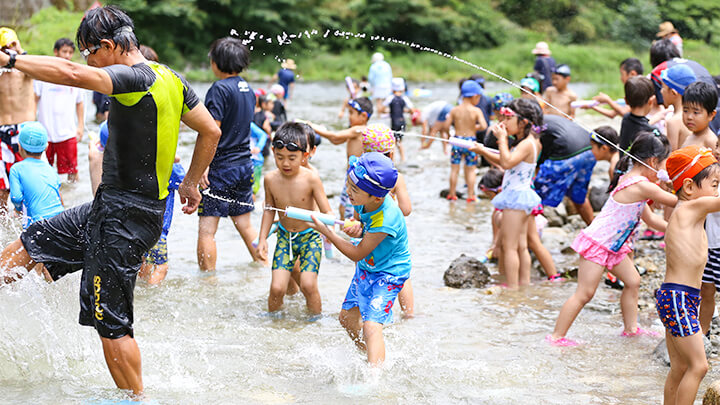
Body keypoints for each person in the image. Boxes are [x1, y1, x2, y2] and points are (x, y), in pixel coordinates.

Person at [0, 6, 221, 397]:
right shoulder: (169, 77)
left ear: (107, 45)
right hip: (110, 209)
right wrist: (188, 184)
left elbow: (70, 74)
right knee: (31, 242)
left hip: (126, 219)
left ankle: (137, 398)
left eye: (89, 53)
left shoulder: (134, 77)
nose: (88, 61)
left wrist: (12, 59)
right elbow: (210, 130)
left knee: (111, 321)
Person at [548, 132, 676, 346]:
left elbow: (652, 220)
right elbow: (675, 201)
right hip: (599, 243)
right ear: (654, 162)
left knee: (633, 281)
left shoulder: (633, 181)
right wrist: (672, 184)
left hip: (614, 248)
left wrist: (675, 228)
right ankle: (555, 338)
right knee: (585, 293)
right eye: (664, 165)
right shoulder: (641, 185)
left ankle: (631, 329)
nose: (663, 170)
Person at [310, 152, 410, 365]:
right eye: (348, 185)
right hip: (369, 267)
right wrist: (358, 228)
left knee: (371, 326)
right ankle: (369, 355)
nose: (348, 192)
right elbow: (363, 227)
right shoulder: (360, 200)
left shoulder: (387, 217)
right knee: (346, 319)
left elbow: (357, 253)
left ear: (376, 197)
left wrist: (328, 234)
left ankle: (374, 379)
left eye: (354, 189)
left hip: (389, 273)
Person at [658, 145, 720, 405]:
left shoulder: (688, 212)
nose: (717, 190)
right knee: (699, 366)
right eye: (715, 184)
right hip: (679, 298)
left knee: (680, 368)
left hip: (677, 297)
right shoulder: (690, 210)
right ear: (689, 187)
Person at [197, 36, 264, 269]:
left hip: (221, 167)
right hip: (245, 165)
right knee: (245, 225)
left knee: (207, 230)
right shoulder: (248, 89)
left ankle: (208, 283)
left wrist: (203, 165)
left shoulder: (218, 89)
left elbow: (212, 131)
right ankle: (263, 266)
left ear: (217, 62)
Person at [256, 123, 332, 315]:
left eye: (292, 158)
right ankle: (273, 324)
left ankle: (314, 322)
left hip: (310, 239)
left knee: (308, 285)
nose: (286, 164)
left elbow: (328, 213)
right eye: (279, 157)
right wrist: (263, 239)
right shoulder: (270, 179)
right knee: (276, 288)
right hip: (284, 238)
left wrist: (328, 233)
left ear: (304, 156)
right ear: (272, 152)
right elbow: (268, 210)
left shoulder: (311, 178)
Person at [471, 99, 543, 288]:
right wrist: (483, 151)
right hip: (522, 196)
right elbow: (507, 160)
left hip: (515, 198)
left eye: (508, 119)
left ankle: (512, 289)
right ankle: (524, 284)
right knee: (521, 246)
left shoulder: (526, 144)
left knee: (510, 247)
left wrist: (502, 139)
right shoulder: (531, 142)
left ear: (524, 122)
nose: (503, 123)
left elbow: (507, 163)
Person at [361, 123, 414, 315]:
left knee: (371, 268)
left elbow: (356, 213)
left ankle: (371, 305)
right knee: (400, 272)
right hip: (392, 235)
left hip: (370, 235)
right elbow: (406, 210)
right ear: (391, 154)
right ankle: (408, 313)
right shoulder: (396, 177)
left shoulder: (360, 178)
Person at [311, 97, 372, 219]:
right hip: (350, 177)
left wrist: (311, 126)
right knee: (342, 208)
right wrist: (322, 130)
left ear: (363, 116)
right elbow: (336, 141)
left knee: (350, 212)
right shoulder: (354, 131)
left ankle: (352, 235)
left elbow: (334, 137)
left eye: (351, 113)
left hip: (357, 179)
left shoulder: (359, 130)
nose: (348, 116)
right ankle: (344, 234)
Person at [34, 38, 85, 183]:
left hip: (67, 132)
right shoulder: (43, 75)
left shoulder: (75, 77)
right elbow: (33, 100)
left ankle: (74, 198)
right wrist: (32, 123)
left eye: (70, 52)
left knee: (72, 171)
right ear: (56, 52)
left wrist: (80, 126)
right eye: (64, 51)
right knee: (43, 170)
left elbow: (80, 103)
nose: (67, 55)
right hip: (45, 133)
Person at [533, 115, 599, 225]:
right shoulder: (546, 119)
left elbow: (536, 160)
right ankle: (594, 229)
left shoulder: (530, 127)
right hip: (589, 149)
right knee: (579, 195)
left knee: (535, 193)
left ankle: (528, 231)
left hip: (568, 152)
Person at [0, 27, 34, 212]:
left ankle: (26, 214)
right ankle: (4, 223)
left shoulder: (24, 68)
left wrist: (18, 50)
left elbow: (34, 67)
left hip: (24, 128)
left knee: (29, 177)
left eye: (10, 47)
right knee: (2, 184)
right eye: (3, 48)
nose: (8, 51)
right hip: (2, 131)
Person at [8, 122, 64, 227]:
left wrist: (18, 209)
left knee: (14, 243)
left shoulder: (16, 169)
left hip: (38, 224)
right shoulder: (50, 169)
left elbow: (16, 197)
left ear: (19, 147)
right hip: (61, 221)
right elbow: (59, 195)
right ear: (46, 147)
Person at [138, 160, 184, 285]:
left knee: (146, 261)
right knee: (161, 267)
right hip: (157, 230)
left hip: (139, 226)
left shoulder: (138, 164)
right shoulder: (170, 167)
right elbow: (187, 184)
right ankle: (149, 295)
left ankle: (139, 289)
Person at [446, 80, 487, 202]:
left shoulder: (455, 110)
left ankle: (452, 194)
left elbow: (447, 126)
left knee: (454, 169)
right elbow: (484, 126)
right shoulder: (476, 111)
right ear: (475, 96)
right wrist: (474, 128)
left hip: (457, 141)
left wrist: (451, 134)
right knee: (470, 170)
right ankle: (470, 195)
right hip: (471, 143)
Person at [699, 139, 720, 335]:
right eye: (717, 145)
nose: (718, 151)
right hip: (709, 244)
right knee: (706, 289)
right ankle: (702, 333)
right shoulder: (713, 173)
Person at [659, 64, 696, 150]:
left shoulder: (674, 122)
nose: (661, 91)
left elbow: (669, 159)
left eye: (663, 87)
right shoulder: (696, 117)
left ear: (673, 93)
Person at [619, 76, 659, 151]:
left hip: (624, 162)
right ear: (651, 101)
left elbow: (639, 124)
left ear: (626, 100)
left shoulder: (626, 118)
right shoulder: (653, 132)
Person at [383, 77, 413, 162]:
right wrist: (404, 110)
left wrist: (390, 111)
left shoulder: (390, 98)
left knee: (393, 142)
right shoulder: (405, 98)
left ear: (392, 89)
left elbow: (382, 109)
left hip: (394, 123)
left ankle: (392, 160)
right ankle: (403, 159)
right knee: (399, 142)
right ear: (403, 88)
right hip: (402, 122)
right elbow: (412, 110)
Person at [680, 82, 717, 149]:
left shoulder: (711, 141)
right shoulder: (689, 136)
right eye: (685, 111)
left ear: (711, 115)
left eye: (696, 112)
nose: (689, 117)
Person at [249, 122, 268, 196]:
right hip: (242, 160)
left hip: (255, 160)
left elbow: (263, 135)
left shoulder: (249, 124)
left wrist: (259, 147)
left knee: (253, 189)